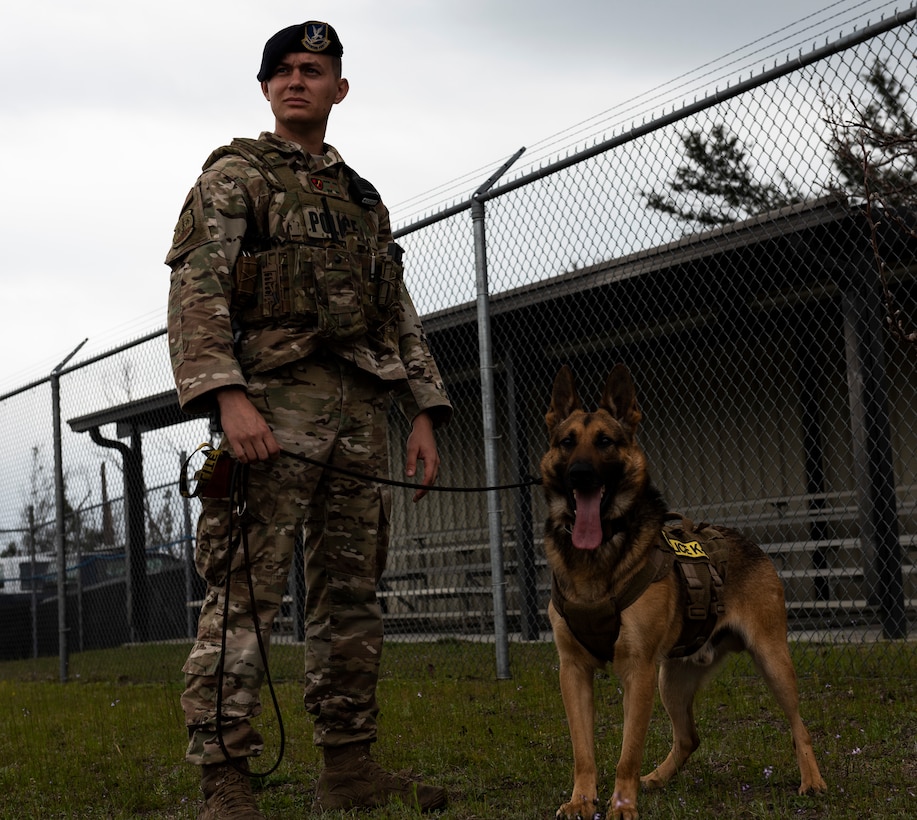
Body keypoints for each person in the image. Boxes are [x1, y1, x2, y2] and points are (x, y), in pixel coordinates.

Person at [165, 20, 452, 818]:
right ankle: (225, 778)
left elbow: (395, 310)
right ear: (266, 88)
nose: (297, 80)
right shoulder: (235, 178)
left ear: (338, 89)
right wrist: (227, 397)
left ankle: (349, 769)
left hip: (361, 410)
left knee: (352, 595)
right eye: (283, 70)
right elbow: (198, 294)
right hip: (271, 408)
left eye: (313, 69)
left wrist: (424, 409)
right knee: (245, 593)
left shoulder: (362, 201)